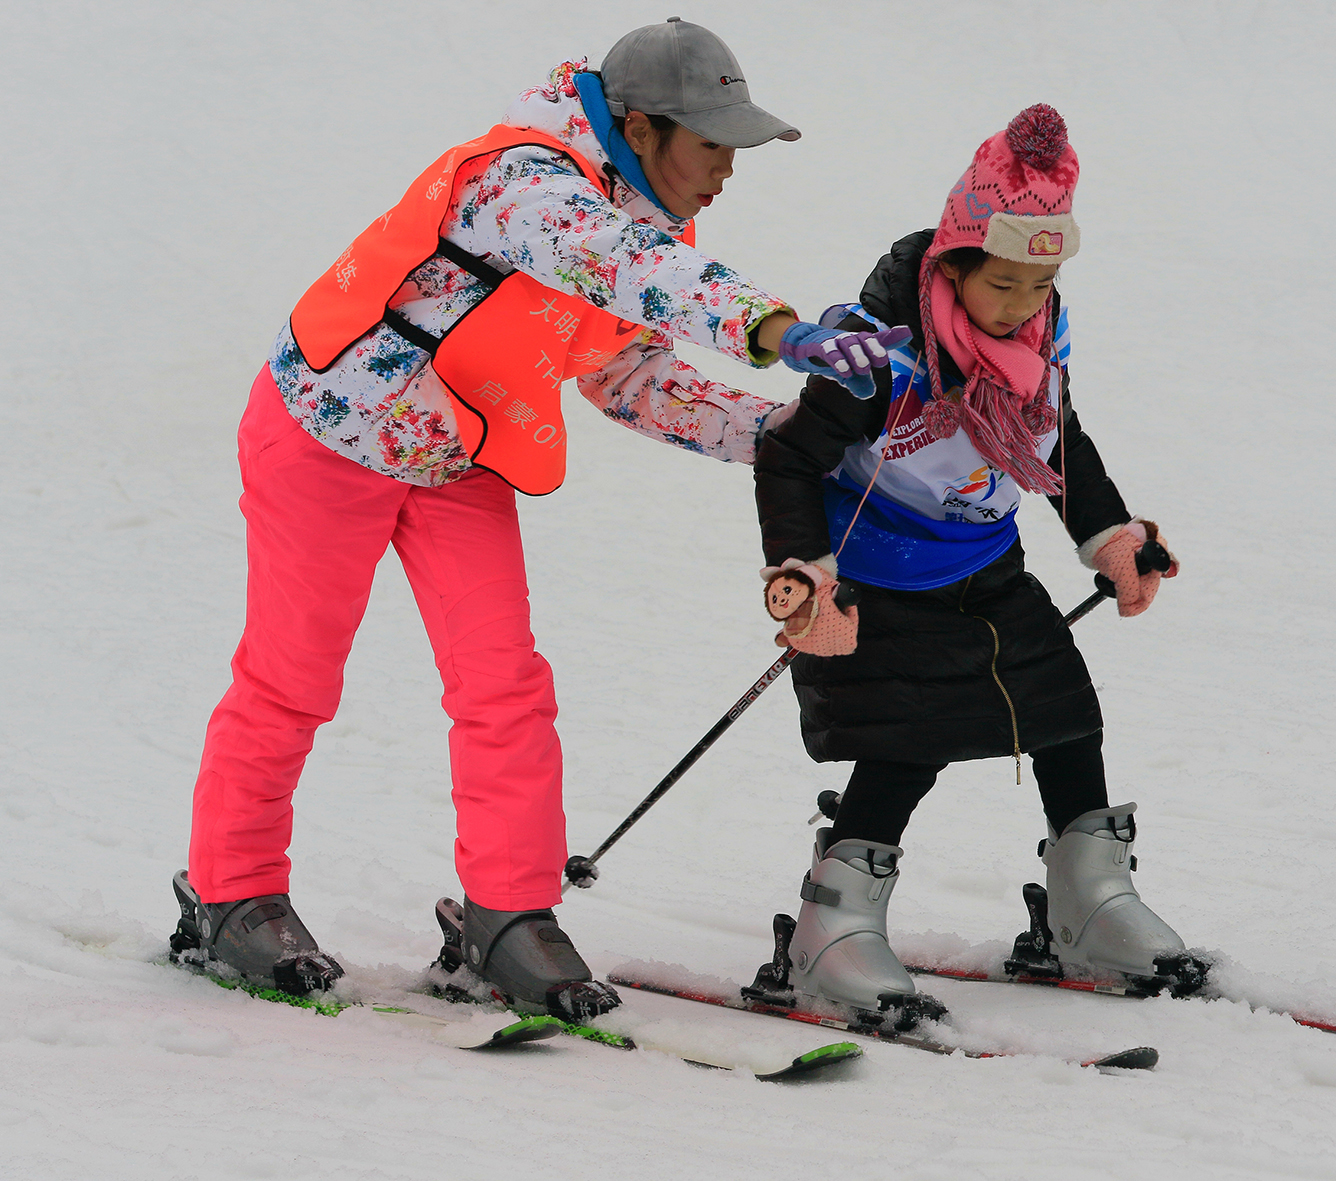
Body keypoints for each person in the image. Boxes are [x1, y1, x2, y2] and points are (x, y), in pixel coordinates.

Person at [167, 18, 903, 1021]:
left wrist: (791, 431)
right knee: (292, 674)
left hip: (454, 454)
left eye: (737, 145)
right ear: (638, 126)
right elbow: (613, 265)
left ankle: (505, 917)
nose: (727, 167)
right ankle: (230, 892)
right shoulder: (523, 182)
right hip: (328, 430)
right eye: (709, 142)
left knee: (504, 681)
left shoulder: (647, 221)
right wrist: (778, 328)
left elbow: (627, 372)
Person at [747, 104, 1195, 1024]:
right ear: (950, 263)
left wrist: (1108, 534)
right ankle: (828, 935)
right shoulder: (879, 351)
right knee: (903, 745)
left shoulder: (1038, 339)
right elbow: (789, 456)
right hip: (874, 581)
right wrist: (806, 578)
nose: (1023, 304)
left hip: (985, 567)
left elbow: (1055, 436)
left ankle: (1088, 907)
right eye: (1003, 283)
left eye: (1043, 281)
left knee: (1067, 721)